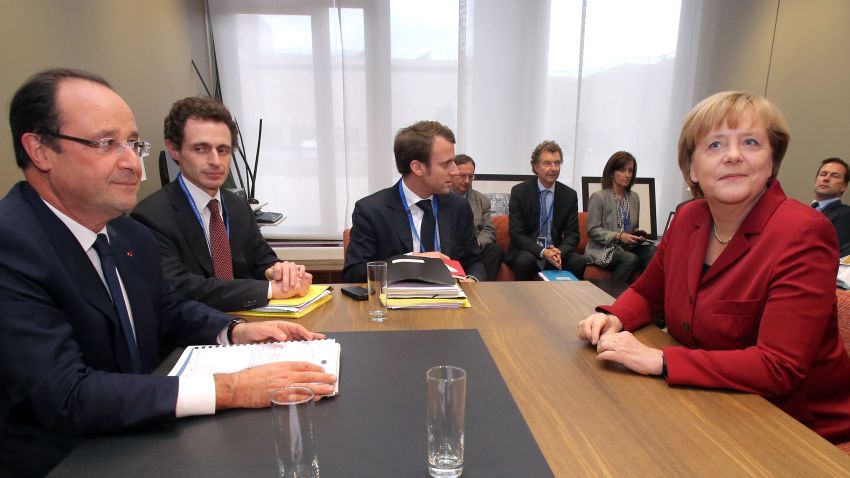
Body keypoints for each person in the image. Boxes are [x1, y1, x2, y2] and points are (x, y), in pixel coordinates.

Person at [0, 68, 336, 477]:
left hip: (144, 433)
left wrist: (234, 331)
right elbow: (66, 395)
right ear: (40, 150)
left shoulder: (125, 232)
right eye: (107, 144)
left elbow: (167, 307)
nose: (131, 164)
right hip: (68, 459)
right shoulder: (12, 245)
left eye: (132, 144)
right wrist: (230, 388)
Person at [576, 91, 850, 443]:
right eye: (715, 145)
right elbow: (649, 291)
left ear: (772, 162)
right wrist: (614, 316)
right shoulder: (690, 216)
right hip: (706, 400)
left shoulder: (804, 232)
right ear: (692, 167)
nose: (733, 156)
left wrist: (661, 359)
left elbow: (778, 367)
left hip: (794, 425)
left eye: (750, 142)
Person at [131, 96, 311, 312]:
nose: (215, 161)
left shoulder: (237, 206)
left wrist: (278, 270)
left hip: (251, 327)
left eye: (223, 150)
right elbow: (179, 286)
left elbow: (261, 258)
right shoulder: (150, 217)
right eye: (201, 149)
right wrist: (269, 290)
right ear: (174, 149)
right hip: (191, 339)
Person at [343, 121, 485, 282]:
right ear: (417, 167)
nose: (455, 171)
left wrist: (473, 279)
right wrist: (410, 261)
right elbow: (354, 273)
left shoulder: (458, 207)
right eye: (446, 164)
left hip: (449, 303)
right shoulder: (371, 210)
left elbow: (474, 261)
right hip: (394, 304)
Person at [505, 140, 586, 280]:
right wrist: (543, 252)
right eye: (547, 163)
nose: (553, 168)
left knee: (578, 262)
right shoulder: (519, 192)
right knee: (525, 261)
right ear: (536, 167)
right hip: (529, 250)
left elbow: (573, 234)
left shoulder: (569, 195)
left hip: (556, 250)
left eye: (557, 163)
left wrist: (558, 252)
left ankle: (567, 301)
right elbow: (516, 233)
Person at [584, 151, 656, 282]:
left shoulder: (634, 197)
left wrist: (635, 235)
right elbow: (593, 230)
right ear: (611, 173)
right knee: (630, 259)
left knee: (652, 250)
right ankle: (611, 298)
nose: (627, 175)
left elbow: (629, 227)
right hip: (603, 248)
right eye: (622, 170)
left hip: (626, 247)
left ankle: (645, 294)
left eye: (630, 171)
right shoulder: (598, 197)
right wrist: (619, 236)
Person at [451, 154, 504, 280]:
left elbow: (488, 230)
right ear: (452, 174)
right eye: (462, 176)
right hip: (450, 249)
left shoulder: (481, 200)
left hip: (474, 248)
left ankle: (483, 288)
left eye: (471, 176)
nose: (467, 181)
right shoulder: (440, 197)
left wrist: (477, 243)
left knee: (495, 250)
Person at [812, 157, 850, 257]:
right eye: (823, 174)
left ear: (844, 186)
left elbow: (831, 253)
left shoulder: (846, 214)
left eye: (835, 176)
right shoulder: (800, 211)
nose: (826, 178)